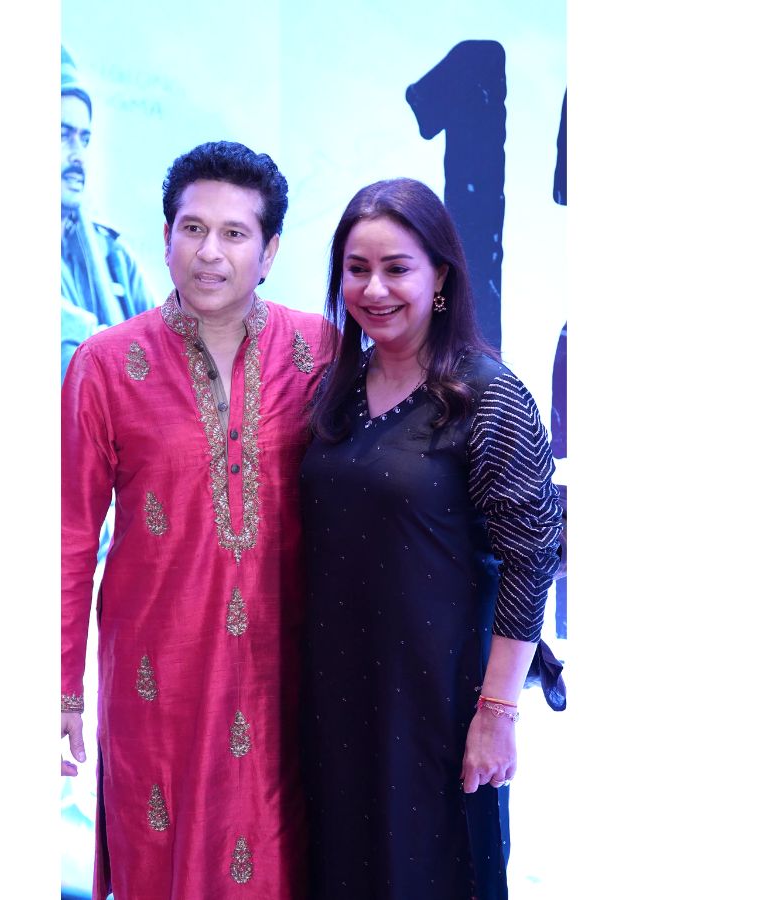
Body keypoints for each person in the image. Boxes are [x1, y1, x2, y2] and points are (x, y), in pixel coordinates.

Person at [61, 141, 330, 900]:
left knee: (278, 859)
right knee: (161, 854)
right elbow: (70, 538)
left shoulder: (320, 351)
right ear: (166, 235)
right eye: (192, 228)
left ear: (269, 252)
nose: (210, 252)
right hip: (157, 683)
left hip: (284, 676)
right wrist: (64, 687)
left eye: (235, 233)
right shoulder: (105, 364)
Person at [299, 178, 563, 899]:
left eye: (397, 269)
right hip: (334, 697)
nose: (374, 289)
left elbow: (532, 558)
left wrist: (497, 715)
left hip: (438, 709)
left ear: (441, 276)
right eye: (356, 269)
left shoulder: (488, 395)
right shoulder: (335, 389)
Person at [61, 45, 156, 381]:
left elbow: (169, 353)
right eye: (62, 136)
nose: (78, 156)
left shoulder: (113, 255)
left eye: (84, 139)